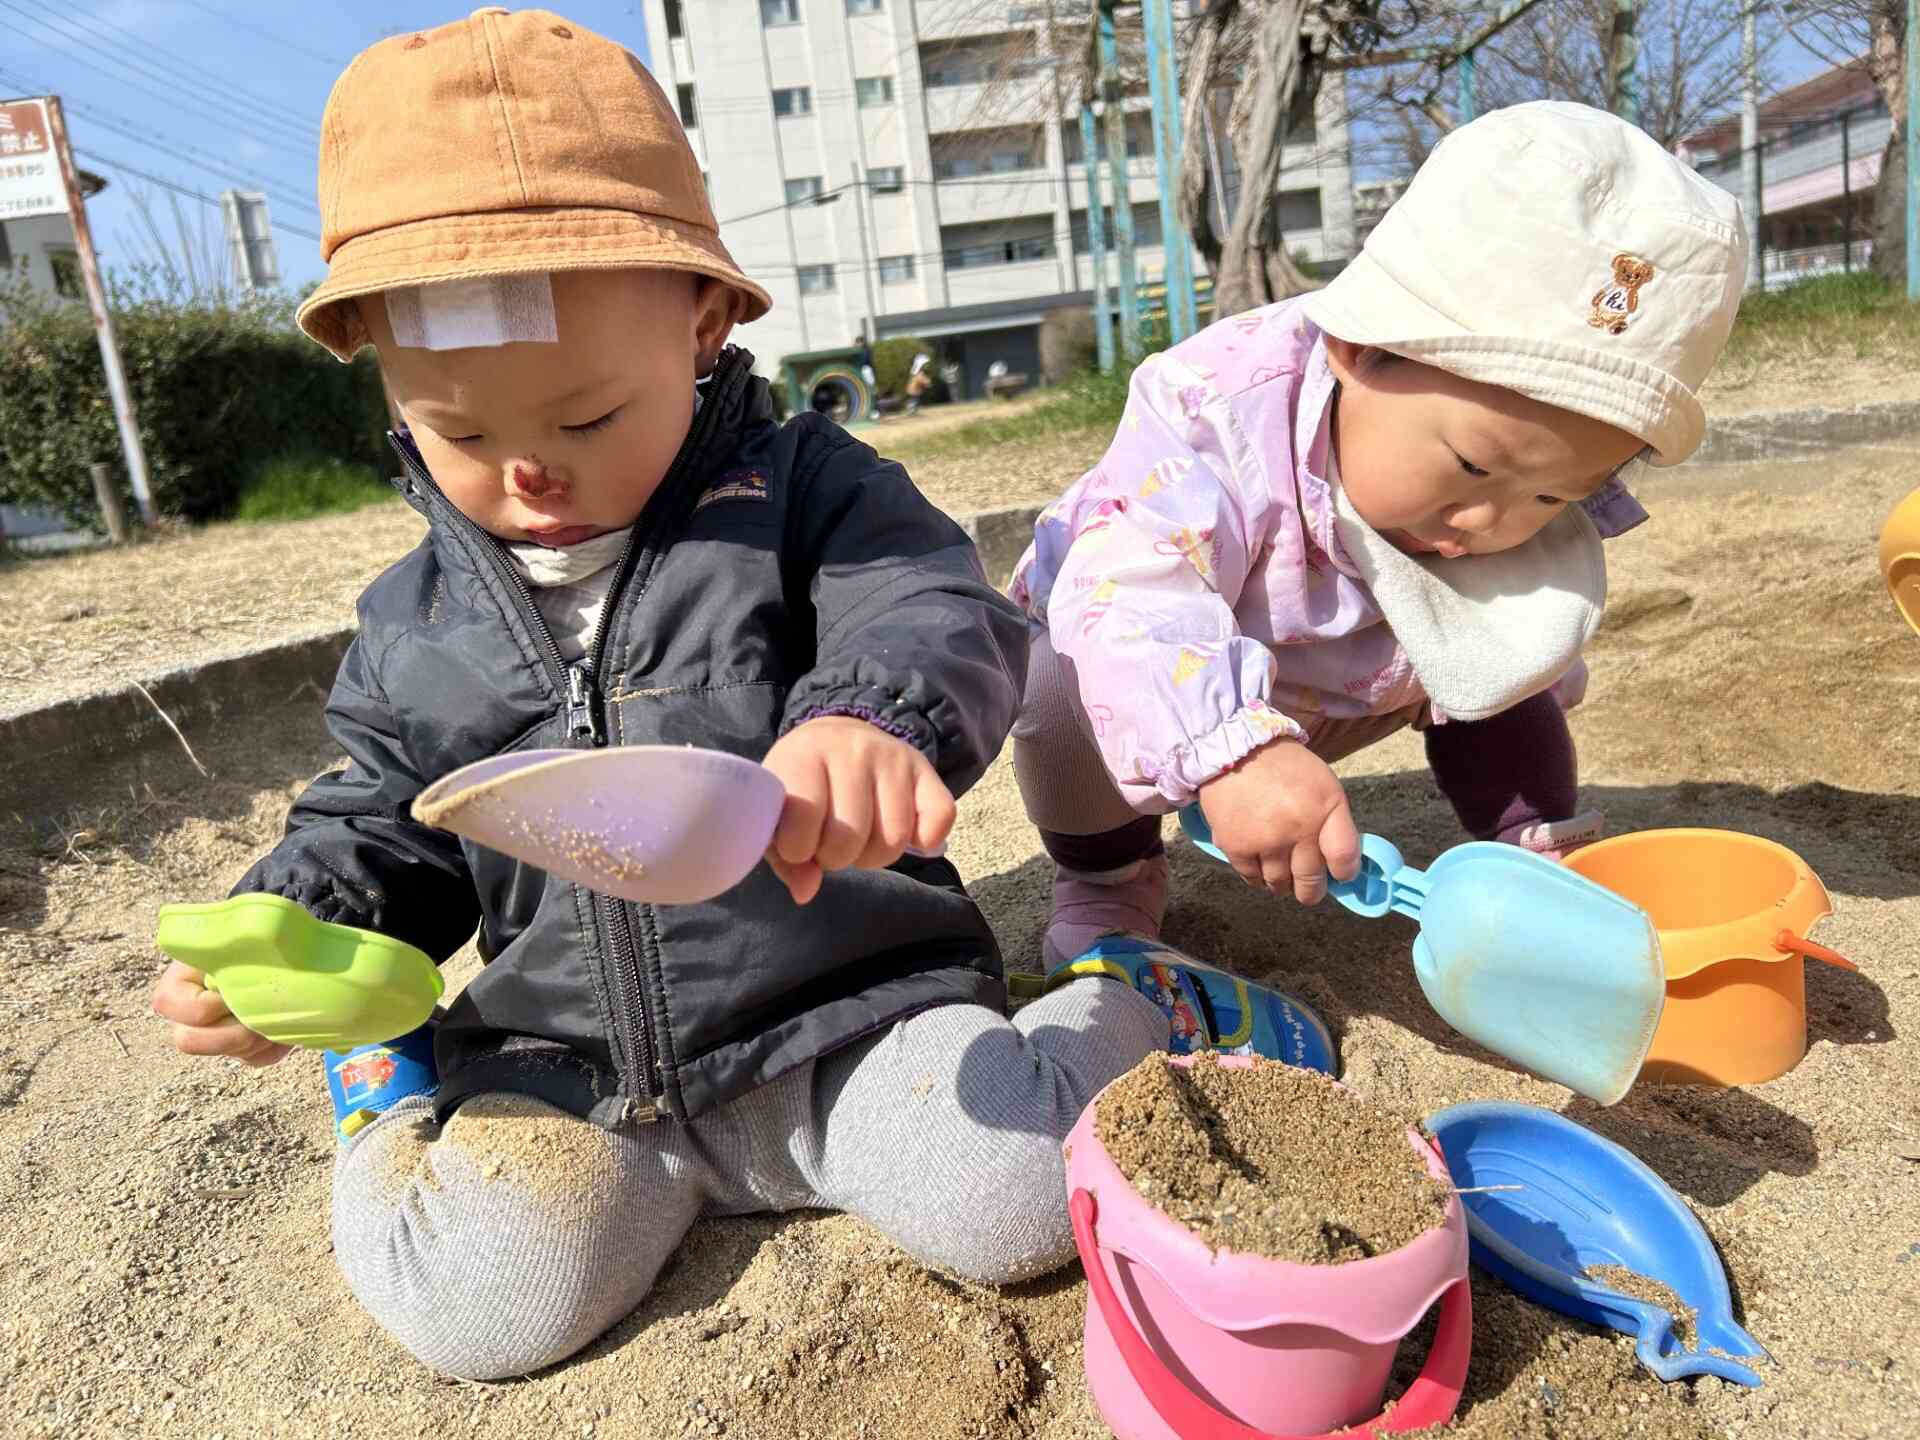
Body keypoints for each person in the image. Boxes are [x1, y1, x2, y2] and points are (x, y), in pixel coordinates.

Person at [147, 9, 1312, 1383]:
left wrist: (871, 719)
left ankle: (1127, 994)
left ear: (701, 321)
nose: (530, 471)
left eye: (584, 419)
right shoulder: (417, 623)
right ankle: (387, 1086)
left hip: (848, 1018)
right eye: (458, 432)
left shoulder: (806, 491)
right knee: (476, 1310)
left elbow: (938, 606)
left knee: (1010, 1203)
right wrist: (302, 924)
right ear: (383, 374)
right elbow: (383, 818)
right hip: (567, 1071)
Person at [1010, 102, 1747, 969]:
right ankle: (1109, 876)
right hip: (1147, 669)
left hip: (1351, 678)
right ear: (1362, 348)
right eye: (1473, 467)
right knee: (1051, 675)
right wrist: (1231, 751)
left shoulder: (1482, 502)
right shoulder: (1220, 410)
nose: (1488, 522)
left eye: (1553, 492)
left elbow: (1513, 616)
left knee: (1501, 641)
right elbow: (1134, 591)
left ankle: (1530, 842)